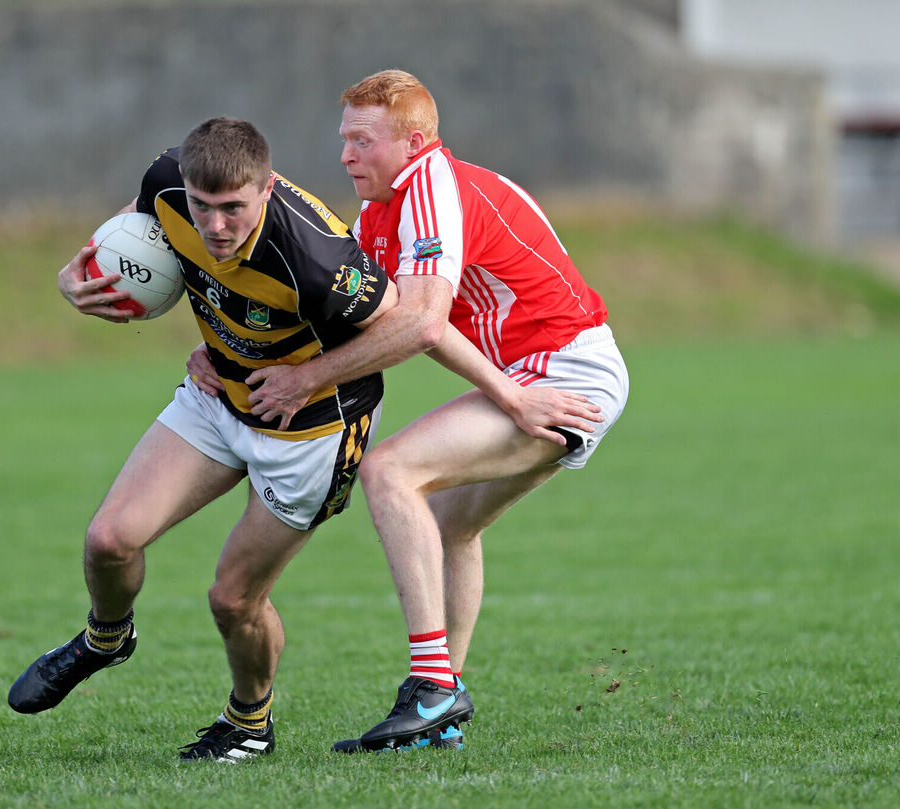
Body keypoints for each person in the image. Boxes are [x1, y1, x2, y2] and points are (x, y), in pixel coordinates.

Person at [187, 70, 629, 752]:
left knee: (390, 471)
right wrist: (219, 348)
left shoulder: (430, 185)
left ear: (413, 142)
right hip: (526, 374)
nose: (345, 156)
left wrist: (308, 380)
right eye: (344, 140)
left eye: (362, 141)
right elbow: (375, 321)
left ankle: (433, 685)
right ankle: (442, 707)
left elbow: (422, 324)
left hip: (563, 371)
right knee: (449, 523)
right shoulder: (381, 210)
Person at [7, 117, 398, 762]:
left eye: (233, 209)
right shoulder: (167, 182)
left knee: (233, 598)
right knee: (108, 541)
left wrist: (307, 377)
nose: (215, 226)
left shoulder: (319, 258)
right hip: (218, 395)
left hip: (314, 432)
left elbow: (406, 328)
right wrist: (74, 275)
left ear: (267, 189)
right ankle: (107, 638)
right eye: (202, 207)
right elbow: (136, 228)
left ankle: (249, 723)